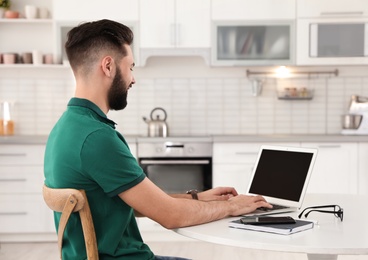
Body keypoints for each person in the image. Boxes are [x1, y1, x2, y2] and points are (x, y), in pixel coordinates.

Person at [43, 19, 272, 260]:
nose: (133, 79)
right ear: (108, 66)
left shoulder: (66, 127)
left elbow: (138, 201)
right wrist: (232, 207)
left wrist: (197, 198)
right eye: (130, 67)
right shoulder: (97, 137)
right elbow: (171, 216)